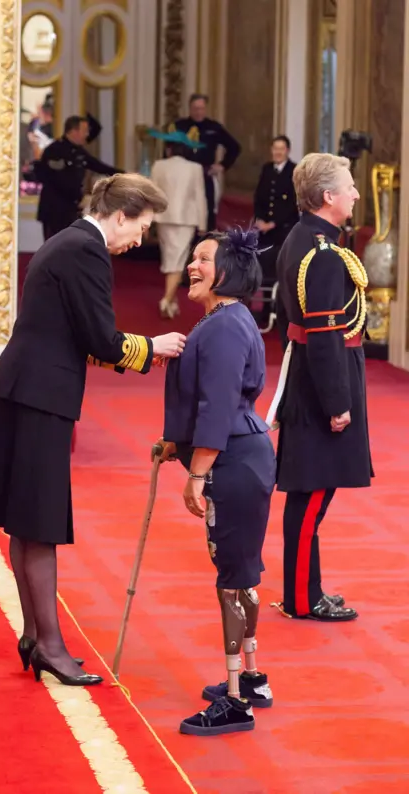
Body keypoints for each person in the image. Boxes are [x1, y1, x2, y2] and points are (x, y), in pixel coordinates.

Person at [0, 173, 186, 686]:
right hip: (41, 395)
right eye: (141, 227)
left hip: (23, 389)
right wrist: (153, 349)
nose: (139, 240)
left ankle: (35, 636)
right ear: (119, 215)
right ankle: (49, 645)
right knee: (40, 523)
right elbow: (101, 339)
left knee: (26, 524)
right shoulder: (87, 250)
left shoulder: (67, 241)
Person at [157, 228, 276, 737]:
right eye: (194, 257)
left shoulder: (224, 326)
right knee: (240, 573)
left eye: (204, 258)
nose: (193, 266)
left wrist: (197, 474)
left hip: (233, 463)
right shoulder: (227, 319)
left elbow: (219, 406)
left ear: (227, 270)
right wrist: (174, 444)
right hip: (241, 456)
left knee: (233, 579)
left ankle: (235, 702)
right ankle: (251, 680)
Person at [271, 152, 372, 622]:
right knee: (312, 496)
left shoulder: (305, 239)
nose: (355, 193)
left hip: (312, 375)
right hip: (321, 384)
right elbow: (326, 334)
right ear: (328, 197)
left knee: (312, 496)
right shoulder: (322, 253)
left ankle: (306, 590)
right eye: (349, 187)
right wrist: (339, 403)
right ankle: (300, 598)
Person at [150, 130, 208, 319]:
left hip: (163, 217)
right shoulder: (195, 167)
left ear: (169, 149)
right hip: (186, 219)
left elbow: (152, 193)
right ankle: (166, 300)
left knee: (170, 258)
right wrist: (203, 223)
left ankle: (171, 302)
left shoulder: (158, 165)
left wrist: (148, 218)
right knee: (179, 260)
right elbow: (200, 196)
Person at [35, 115, 121, 241]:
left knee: (69, 247)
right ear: (74, 131)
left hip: (70, 209)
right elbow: (57, 181)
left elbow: (98, 166)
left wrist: (123, 175)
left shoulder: (79, 151)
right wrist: (79, 197)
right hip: (54, 209)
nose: (87, 134)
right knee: (53, 249)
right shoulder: (54, 150)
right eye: (84, 131)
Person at [169, 93, 241, 231]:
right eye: (195, 108)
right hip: (183, 177)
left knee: (207, 212)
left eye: (201, 108)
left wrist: (222, 165)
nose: (198, 112)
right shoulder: (179, 127)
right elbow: (168, 150)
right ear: (190, 108)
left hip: (205, 176)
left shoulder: (214, 127)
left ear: (205, 108)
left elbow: (235, 147)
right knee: (183, 210)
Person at [252, 135, 299, 328]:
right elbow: (259, 197)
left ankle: (281, 311)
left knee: (282, 271)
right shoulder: (266, 169)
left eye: (281, 149)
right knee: (265, 270)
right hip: (265, 232)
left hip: (284, 231)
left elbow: (292, 204)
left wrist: (274, 222)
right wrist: (260, 219)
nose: (278, 152)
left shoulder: (294, 170)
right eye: (275, 148)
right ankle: (265, 310)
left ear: (287, 150)